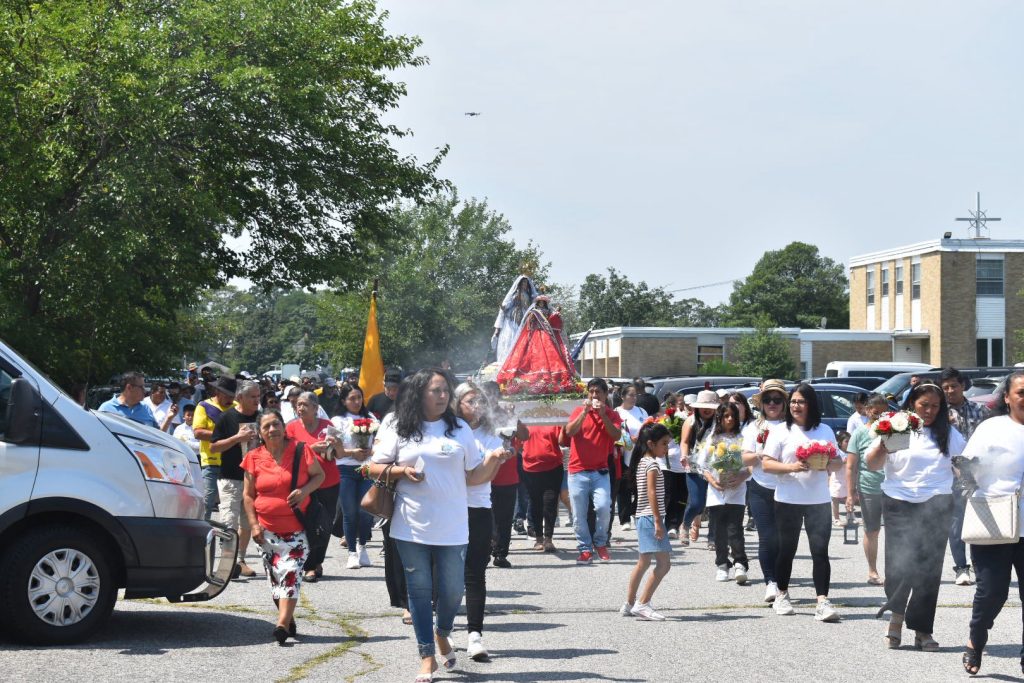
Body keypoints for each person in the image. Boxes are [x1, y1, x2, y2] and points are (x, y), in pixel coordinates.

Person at [367, 369, 511, 683]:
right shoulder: (399, 426)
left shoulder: (459, 428)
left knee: (453, 590)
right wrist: (401, 472)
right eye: (436, 390)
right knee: (419, 592)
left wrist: (494, 460)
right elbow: (372, 467)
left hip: (453, 526)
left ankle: (442, 632)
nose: (443, 395)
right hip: (410, 525)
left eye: (446, 390)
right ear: (419, 393)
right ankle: (427, 656)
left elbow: (473, 477)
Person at [866, 382, 964, 652]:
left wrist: (971, 474)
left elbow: (962, 465)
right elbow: (872, 464)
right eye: (924, 405)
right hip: (898, 502)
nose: (930, 411)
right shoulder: (896, 428)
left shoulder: (949, 434)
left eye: (935, 406)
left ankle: (923, 630)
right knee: (898, 565)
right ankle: (896, 619)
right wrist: (884, 445)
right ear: (912, 404)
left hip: (937, 502)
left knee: (929, 569)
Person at [454, 382, 526, 661]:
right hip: (448, 509)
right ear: (457, 404)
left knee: (475, 573)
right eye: (471, 401)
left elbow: (486, 475)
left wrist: (496, 457)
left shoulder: (491, 433)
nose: (478, 406)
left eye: (481, 401)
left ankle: (475, 635)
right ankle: (443, 627)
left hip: (478, 508)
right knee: (446, 573)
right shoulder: (448, 430)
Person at [959, 371, 1024, 676]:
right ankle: (976, 639)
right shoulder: (992, 428)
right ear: (1007, 397)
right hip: (994, 520)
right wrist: (969, 473)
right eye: (1021, 392)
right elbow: (964, 467)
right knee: (992, 593)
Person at [242, 410, 325, 644]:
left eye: (276, 424)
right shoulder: (253, 457)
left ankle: (281, 625)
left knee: (290, 573)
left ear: (283, 426)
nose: (272, 429)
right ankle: (288, 620)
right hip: (266, 531)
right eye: (266, 426)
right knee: (276, 579)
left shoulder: (301, 450)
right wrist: (254, 525)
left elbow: (318, 476)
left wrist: (304, 491)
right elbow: (248, 495)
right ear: (260, 433)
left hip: (297, 528)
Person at [762, 383, 842, 622]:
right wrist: (791, 467)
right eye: (794, 401)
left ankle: (822, 601)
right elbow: (766, 464)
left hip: (819, 499)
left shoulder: (824, 430)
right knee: (787, 550)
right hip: (788, 499)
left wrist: (826, 463)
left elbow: (838, 462)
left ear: (811, 405)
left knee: (820, 551)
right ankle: (782, 594)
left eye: (802, 402)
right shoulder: (780, 431)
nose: (796, 406)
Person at [564, 378, 623, 564]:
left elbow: (616, 435)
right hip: (577, 471)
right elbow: (569, 432)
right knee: (579, 514)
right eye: (591, 392)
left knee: (604, 508)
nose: (594, 395)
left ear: (605, 395)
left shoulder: (612, 415)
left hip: (600, 472)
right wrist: (584, 412)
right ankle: (584, 549)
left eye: (598, 392)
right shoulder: (578, 411)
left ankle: (600, 543)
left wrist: (603, 415)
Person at [741, 379, 788, 603]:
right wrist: (762, 454)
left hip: (788, 489)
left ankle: (782, 582)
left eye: (777, 400)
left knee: (784, 540)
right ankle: (770, 582)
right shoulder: (754, 427)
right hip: (761, 487)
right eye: (768, 400)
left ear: (784, 403)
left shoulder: (792, 426)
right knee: (767, 538)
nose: (772, 404)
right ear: (761, 404)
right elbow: (745, 457)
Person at [942, 366, 990, 587]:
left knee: (981, 521)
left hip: (980, 473)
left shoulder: (980, 411)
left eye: (953, 386)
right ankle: (961, 568)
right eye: (945, 387)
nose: (950, 391)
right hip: (951, 475)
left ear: (963, 386)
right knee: (957, 523)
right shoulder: (940, 414)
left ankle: (981, 567)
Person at [621, 422, 673, 621]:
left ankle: (630, 603)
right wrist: (658, 521)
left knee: (643, 562)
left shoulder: (642, 462)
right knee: (664, 564)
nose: (666, 448)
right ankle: (642, 603)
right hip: (651, 518)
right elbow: (652, 493)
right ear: (651, 444)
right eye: (664, 443)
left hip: (643, 517)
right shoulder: (652, 465)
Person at [210, 380, 261, 578]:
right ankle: (226, 563)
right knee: (228, 521)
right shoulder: (226, 417)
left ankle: (239, 560)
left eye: (258, 396)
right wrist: (236, 439)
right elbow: (214, 447)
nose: (257, 400)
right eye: (252, 397)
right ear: (240, 397)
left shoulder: (261, 417)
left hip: (254, 478)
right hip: (230, 478)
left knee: (247, 523)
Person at [285, 392, 338, 582]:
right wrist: (311, 448)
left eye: (305, 404)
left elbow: (338, 453)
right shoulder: (291, 427)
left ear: (316, 408)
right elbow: (287, 453)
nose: (300, 408)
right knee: (306, 523)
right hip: (304, 483)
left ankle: (317, 562)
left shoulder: (327, 426)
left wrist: (335, 445)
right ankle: (308, 565)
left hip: (329, 482)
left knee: (324, 525)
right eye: (298, 404)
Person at [700, 402, 750, 584]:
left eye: (733, 416)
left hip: (736, 490)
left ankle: (740, 563)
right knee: (719, 530)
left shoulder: (742, 438)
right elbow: (702, 464)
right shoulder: (712, 438)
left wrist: (741, 476)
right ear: (719, 418)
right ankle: (722, 564)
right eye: (726, 416)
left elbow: (751, 464)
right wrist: (713, 481)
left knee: (735, 529)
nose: (729, 419)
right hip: (717, 491)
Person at [328, 384, 378, 569]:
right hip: (345, 470)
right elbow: (333, 449)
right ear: (343, 401)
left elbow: (380, 442)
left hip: (366, 469)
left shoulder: (370, 418)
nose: (357, 402)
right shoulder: (337, 421)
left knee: (366, 511)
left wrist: (369, 451)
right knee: (349, 512)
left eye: (359, 397)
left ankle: (362, 547)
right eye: (352, 398)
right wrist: (352, 453)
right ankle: (352, 552)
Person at [844, 393, 890, 586]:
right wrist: (850, 493)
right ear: (867, 410)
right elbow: (850, 466)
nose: (879, 415)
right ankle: (872, 570)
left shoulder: (894, 431)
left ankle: (895, 571)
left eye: (883, 412)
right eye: (875, 411)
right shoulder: (860, 433)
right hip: (869, 487)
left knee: (896, 531)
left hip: (893, 487)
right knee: (872, 530)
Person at [192, 376, 237, 521]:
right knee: (207, 500)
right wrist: (226, 435)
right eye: (228, 395)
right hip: (211, 461)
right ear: (218, 392)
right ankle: (202, 529)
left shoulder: (236, 406)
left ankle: (228, 532)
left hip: (232, 463)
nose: (230, 399)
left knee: (230, 503)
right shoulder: (204, 406)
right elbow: (198, 432)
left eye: (232, 395)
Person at [680, 390, 719, 546]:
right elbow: (684, 442)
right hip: (694, 465)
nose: (707, 410)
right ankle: (685, 524)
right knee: (697, 502)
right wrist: (684, 455)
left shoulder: (720, 421)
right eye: (704, 406)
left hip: (715, 466)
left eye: (710, 407)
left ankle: (713, 537)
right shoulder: (690, 421)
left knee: (715, 504)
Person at [521, 424, 564, 553]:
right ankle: (539, 538)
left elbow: (562, 441)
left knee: (550, 503)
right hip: (530, 468)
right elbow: (518, 441)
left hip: (553, 467)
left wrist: (564, 426)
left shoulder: (554, 419)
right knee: (535, 503)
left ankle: (548, 539)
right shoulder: (525, 419)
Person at [614, 385, 649, 530]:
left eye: (635, 395)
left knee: (640, 486)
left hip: (640, 453)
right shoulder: (617, 412)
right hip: (623, 454)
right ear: (622, 396)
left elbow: (648, 428)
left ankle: (635, 512)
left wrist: (641, 439)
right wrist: (627, 440)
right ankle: (625, 519)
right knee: (624, 488)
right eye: (631, 395)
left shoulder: (641, 411)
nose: (634, 398)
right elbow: (615, 432)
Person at [492, 274, 538, 365]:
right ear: (520, 283)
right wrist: (504, 307)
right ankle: (508, 360)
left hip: (525, 316)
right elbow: (508, 304)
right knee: (511, 337)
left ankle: (521, 361)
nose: (524, 284)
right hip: (513, 316)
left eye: (526, 283)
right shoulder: (515, 293)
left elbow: (532, 305)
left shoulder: (529, 295)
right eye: (523, 282)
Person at [830, 430, 853, 527]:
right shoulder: (837, 452)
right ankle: (836, 518)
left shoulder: (851, 452)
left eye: (850, 441)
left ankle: (850, 516)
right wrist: (843, 462)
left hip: (847, 479)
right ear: (840, 443)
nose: (848, 443)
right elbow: (833, 463)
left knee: (848, 497)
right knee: (835, 499)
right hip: (837, 478)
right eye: (846, 441)